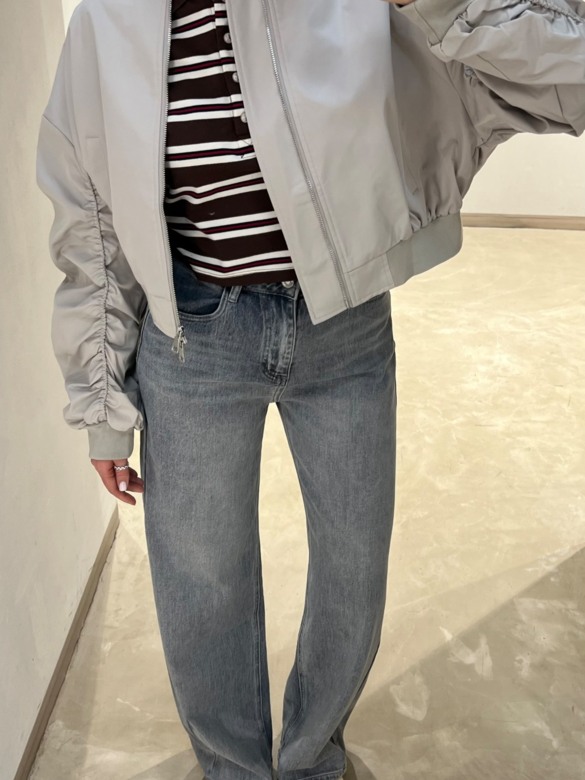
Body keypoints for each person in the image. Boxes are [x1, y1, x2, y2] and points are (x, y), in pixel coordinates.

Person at [36, 0, 585, 777]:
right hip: (192, 339)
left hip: (344, 327)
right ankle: (230, 768)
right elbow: (89, 218)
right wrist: (101, 404)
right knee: (200, 581)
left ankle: (311, 759)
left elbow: (565, 74)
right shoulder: (106, 21)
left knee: (352, 571)